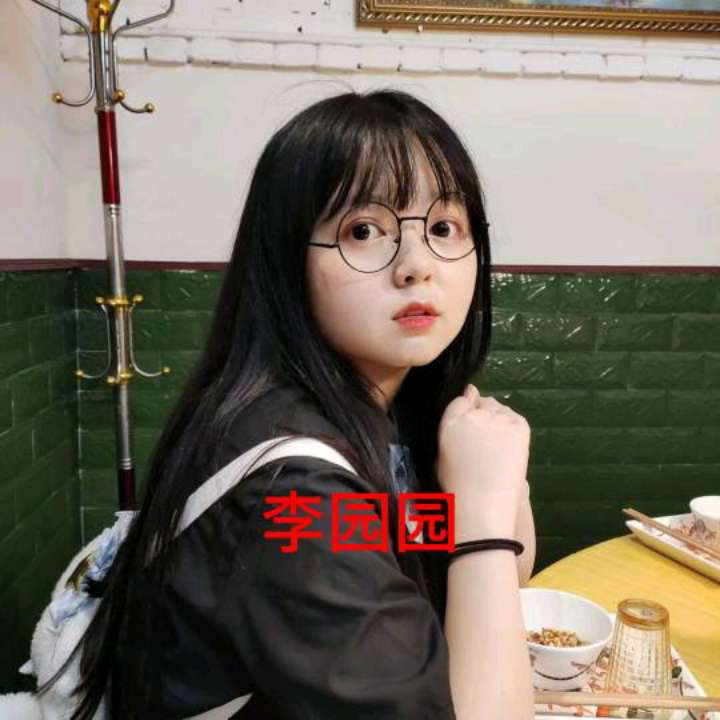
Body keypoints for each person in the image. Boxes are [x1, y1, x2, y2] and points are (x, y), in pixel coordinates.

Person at [51, 89, 536, 719]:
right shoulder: (294, 487)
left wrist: (492, 497)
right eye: (364, 230)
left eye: (444, 227)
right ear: (286, 258)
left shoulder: (374, 407)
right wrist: (485, 510)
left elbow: (471, 577)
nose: (417, 265)